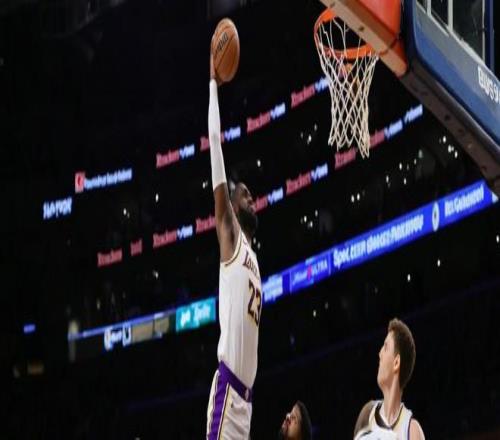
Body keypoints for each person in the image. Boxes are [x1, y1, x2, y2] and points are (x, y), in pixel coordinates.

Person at [205, 47, 262, 439]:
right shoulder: (230, 234)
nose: (251, 197)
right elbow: (214, 140)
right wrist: (213, 83)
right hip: (228, 390)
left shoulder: (253, 257)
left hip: (247, 400)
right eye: (244, 194)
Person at [354, 319, 425, 439]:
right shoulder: (367, 414)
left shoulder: (412, 431)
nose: (380, 353)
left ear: (396, 363)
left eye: (385, 347)